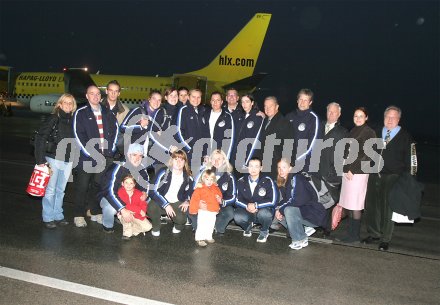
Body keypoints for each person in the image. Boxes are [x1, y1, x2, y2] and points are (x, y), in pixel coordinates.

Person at [363, 106, 414, 251]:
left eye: (393, 117)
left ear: (399, 119)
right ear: (384, 117)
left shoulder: (406, 136)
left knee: (388, 208)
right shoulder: (375, 132)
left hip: (393, 176)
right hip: (374, 174)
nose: (390, 120)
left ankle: (385, 239)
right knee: (371, 206)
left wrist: (410, 179)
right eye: (387, 117)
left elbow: (412, 159)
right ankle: (374, 233)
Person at [73, 85, 118, 228]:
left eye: (98, 94)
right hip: (86, 158)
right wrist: (92, 153)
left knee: (97, 186)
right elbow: (78, 135)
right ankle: (78, 214)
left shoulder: (107, 113)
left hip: (104, 157)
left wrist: (110, 150)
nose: (95, 96)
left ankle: (93, 211)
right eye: (92, 94)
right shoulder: (81, 113)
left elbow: (115, 131)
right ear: (87, 96)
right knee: (82, 186)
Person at [34, 93, 77, 229]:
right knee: (50, 190)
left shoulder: (73, 120)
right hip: (53, 158)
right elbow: (41, 137)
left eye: (71, 103)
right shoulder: (54, 118)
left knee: (61, 190)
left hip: (68, 160)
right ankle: (48, 216)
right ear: (60, 104)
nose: (68, 105)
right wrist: (41, 160)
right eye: (66, 102)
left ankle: (58, 214)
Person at [338, 107, 375, 243]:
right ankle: (351, 233)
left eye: (361, 116)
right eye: (355, 116)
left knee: (356, 205)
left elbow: (366, 155)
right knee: (349, 204)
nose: (358, 118)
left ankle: (355, 236)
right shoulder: (353, 131)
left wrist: (352, 169)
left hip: (357, 173)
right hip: (348, 172)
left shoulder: (369, 132)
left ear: (366, 117)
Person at [275, 158, 327, 250]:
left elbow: (298, 200)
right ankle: (303, 230)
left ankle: (298, 239)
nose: (281, 170)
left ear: (290, 168)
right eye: (279, 168)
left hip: (313, 215)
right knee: (279, 212)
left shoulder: (296, 178)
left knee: (288, 210)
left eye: (284, 167)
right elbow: (286, 200)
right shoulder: (285, 181)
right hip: (303, 214)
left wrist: (281, 209)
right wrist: (278, 209)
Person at [98, 143, 150, 233]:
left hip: (128, 196)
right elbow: (109, 191)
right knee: (111, 208)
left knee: (147, 200)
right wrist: (122, 209)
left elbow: (146, 184)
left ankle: (130, 219)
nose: (137, 158)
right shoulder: (118, 167)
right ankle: (107, 225)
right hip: (110, 196)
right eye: (134, 155)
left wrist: (145, 192)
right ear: (128, 155)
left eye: (140, 156)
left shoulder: (141, 168)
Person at [318, 102, 348, 235]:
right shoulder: (318, 126)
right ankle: (318, 224)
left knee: (329, 201)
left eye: (334, 112)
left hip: (331, 173)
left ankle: (327, 228)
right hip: (316, 170)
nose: (331, 114)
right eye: (329, 111)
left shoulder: (343, 132)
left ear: (339, 114)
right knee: (317, 200)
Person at [190, 149, 237, 234]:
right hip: (204, 204)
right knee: (192, 208)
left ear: (224, 160)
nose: (216, 161)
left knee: (230, 212)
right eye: (214, 159)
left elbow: (233, 197)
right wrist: (199, 202)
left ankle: (217, 227)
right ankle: (198, 225)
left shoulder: (229, 177)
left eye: (219, 158)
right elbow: (193, 189)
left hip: (219, 205)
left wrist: (222, 201)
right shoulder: (204, 172)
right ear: (211, 160)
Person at [148, 150, 194, 236]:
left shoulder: (188, 176)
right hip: (162, 201)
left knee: (181, 220)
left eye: (181, 160)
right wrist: (166, 204)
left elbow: (192, 192)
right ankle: (156, 226)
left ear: (185, 162)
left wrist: (187, 201)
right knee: (151, 207)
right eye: (176, 159)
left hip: (177, 201)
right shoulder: (163, 172)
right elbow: (152, 191)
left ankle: (178, 226)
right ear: (171, 160)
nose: (178, 162)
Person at [234, 157, 277, 243]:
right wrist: (247, 205)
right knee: (237, 216)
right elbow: (236, 199)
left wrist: (256, 205)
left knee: (265, 214)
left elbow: (273, 200)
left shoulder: (268, 181)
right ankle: (248, 226)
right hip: (247, 210)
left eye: (256, 166)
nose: (253, 169)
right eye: (251, 166)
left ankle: (264, 231)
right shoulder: (241, 181)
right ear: (247, 168)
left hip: (262, 210)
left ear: (261, 168)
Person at [148, 87, 182, 175]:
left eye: (176, 95)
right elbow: (153, 133)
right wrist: (169, 147)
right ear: (166, 97)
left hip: (175, 155)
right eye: (171, 95)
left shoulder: (180, 111)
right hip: (161, 154)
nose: (174, 98)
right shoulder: (161, 112)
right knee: (161, 181)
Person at [285, 88, 320, 173]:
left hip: (302, 166)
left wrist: (295, 162)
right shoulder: (289, 116)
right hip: (285, 164)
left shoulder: (313, 119)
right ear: (297, 100)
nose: (302, 103)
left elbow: (313, 146)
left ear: (310, 102)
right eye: (301, 99)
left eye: (306, 100)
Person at [230, 94, 264, 176]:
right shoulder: (238, 115)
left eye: (247, 102)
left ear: (252, 103)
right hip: (234, 156)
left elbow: (255, 141)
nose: (244, 104)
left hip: (246, 157)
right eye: (242, 102)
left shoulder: (257, 118)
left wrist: (248, 160)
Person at [120, 90, 162, 156]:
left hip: (148, 153)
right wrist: (140, 126)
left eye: (159, 100)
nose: (156, 102)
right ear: (149, 99)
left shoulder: (159, 115)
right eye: (154, 99)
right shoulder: (138, 111)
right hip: (134, 152)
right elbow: (122, 128)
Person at [256, 96, 289, 179]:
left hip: (275, 167)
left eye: (270, 106)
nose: (267, 108)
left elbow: (288, 146)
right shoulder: (264, 121)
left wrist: (284, 167)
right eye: (265, 106)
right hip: (264, 166)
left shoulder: (284, 123)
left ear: (277, 107)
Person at [189, 169, 223, 247]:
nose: (209, 181)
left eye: (211, 179)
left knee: (211, 224)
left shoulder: (216, 188)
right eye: (207, 179)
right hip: (203, 210)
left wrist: (219, 198)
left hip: (213, 210)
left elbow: (220, 195)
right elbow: (194, 199)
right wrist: (193, 209)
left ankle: (208, 236)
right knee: (202, 224)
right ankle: (200, 238)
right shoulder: (199, 188)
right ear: (203, 179)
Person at [176, 89, 208, 168]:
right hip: (188, 154)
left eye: (198, 97)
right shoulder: (183, 110)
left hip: (201, 155)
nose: (196, 99)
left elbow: (206, 133)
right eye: (193, 97)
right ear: (188, 97)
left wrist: (206, 152)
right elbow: (179, 132)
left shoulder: (203, 111)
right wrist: (189, 149)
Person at [117, 174, 152, 240]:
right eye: (126, 182)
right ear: (122, 184)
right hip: (125, 214)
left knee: (148, 227)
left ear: (134, 185)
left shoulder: (138, 193)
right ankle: (127, 233)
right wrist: (139, 210)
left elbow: (143, 203)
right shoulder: (120, 192)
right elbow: (125, 205)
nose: (128, 185)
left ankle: (133, 230)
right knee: (128, 232)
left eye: (131, 183)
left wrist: (143, 211)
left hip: (136, 214)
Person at [203, 91, 234, 158]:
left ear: (222, 102)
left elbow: (228, 138)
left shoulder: (227, 117)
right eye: (213, 100)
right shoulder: (204, 114)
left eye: (218, 100)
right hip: (205, 154)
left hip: (219, 155)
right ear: (210, 101)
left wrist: (223, 155)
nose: (215, 102)